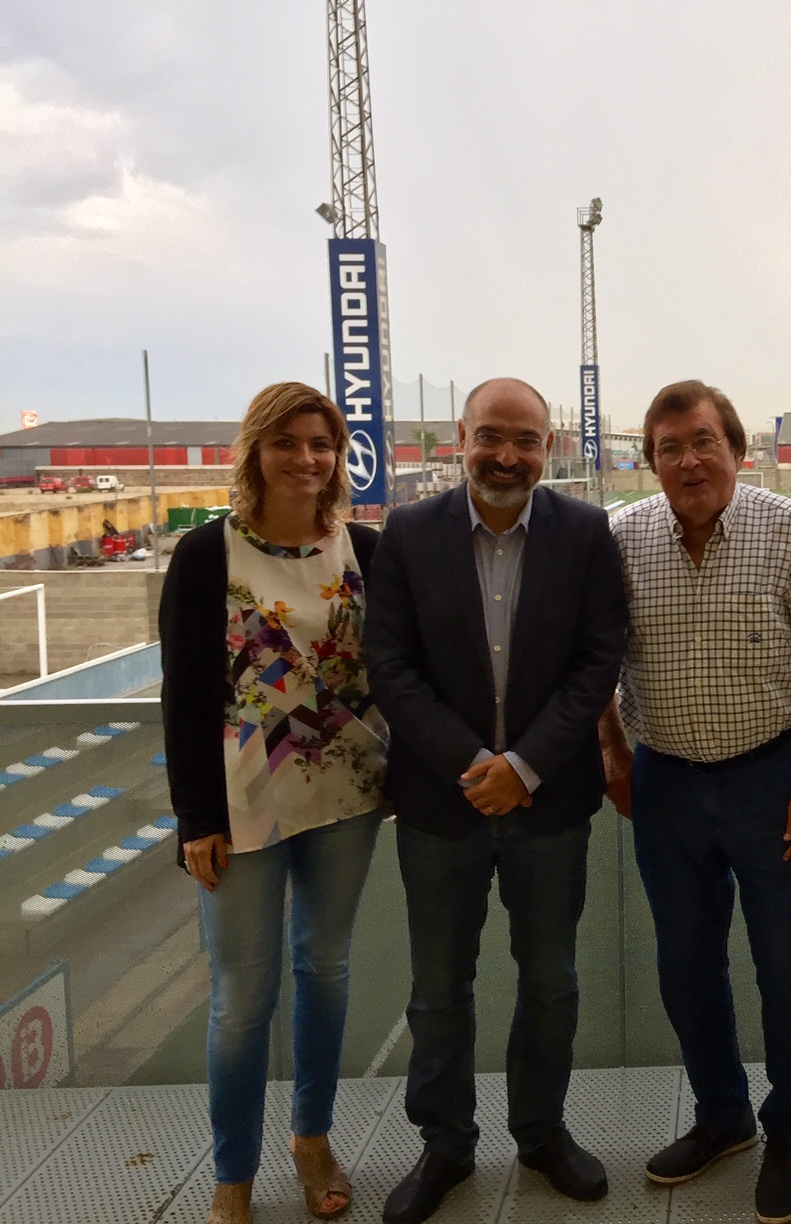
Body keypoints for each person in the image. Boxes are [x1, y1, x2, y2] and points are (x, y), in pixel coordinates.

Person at [364, 378, 628, 1224]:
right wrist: (477, 763)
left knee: (550, 981)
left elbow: (599, 662)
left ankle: (541, 1134)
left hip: (549, 807)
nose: (507, 455)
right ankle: (445, 1145)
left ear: (547, 446)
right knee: (440, 986)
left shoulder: (586, 534)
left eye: (526, 439)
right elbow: (391, 668)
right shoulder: (406, 533)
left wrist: (527, 766)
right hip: (443, 805)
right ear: (459, 438)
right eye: (491, 436)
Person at [598, 381, 791, 1224]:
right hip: (666, 779)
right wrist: (613, 752)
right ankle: (723, 1116)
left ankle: (790, 1131)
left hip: (775, 776)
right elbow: (590, 658)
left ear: (736, 451)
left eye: (703, 441)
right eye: (668, 447)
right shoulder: (622, 536)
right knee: (685, 964)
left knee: (788, 963)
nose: (687, 460)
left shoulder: (786, 531)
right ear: (651, 462)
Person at [161, 382, 386, 1224]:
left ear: (338, 457)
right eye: (287, 442)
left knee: (323, 970)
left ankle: (312, 1139)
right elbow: (183, 695)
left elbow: (390, 673)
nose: (306, 458)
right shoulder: (206, 555)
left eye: (322, 444)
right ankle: (233, 1175)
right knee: (240, 999)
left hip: (349, 794)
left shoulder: (366, 548)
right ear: (255, 449)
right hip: (241, 805)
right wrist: (196, 820)